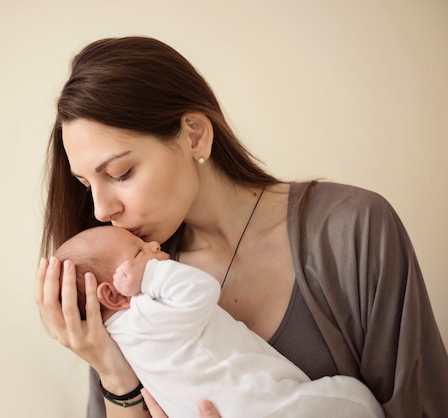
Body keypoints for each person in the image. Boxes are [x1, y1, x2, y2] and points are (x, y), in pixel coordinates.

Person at [34, 36, 448, 418]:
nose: (102, 209)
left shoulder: (350, 231)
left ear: (194, 136)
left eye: (121, 173)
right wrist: (113, 374)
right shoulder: (123, 293)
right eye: (87, 185)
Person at [53, 225, 384, 418]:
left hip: (225, 408)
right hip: (258, 405)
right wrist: (151, 275)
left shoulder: (115, 343)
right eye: (139, 253)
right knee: (356, 400)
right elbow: (201, 291)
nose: (153, 245)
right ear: (113, 296)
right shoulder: (146, 312)